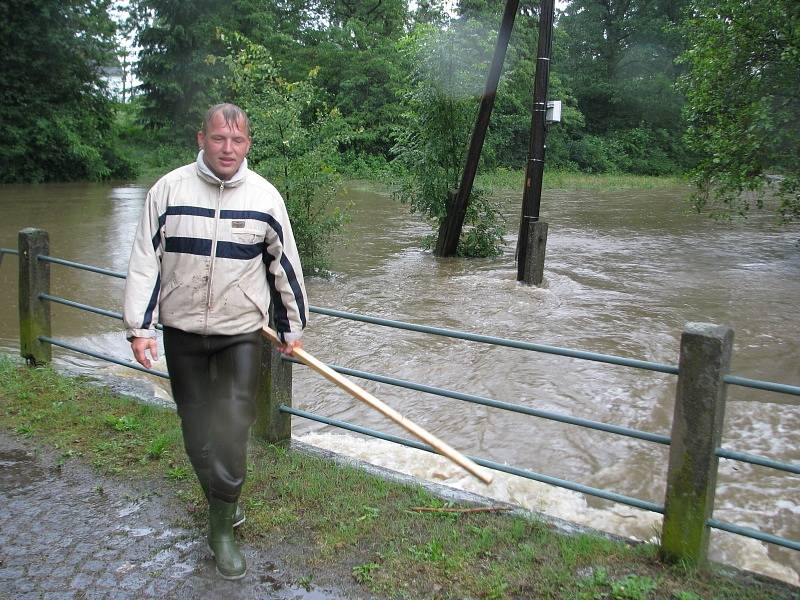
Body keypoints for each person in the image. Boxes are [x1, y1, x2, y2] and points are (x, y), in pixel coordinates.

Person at [123, 103, 308, 580]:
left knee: (230, 424)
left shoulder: (265, 198)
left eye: (238, 140)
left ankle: (221, 530)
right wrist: (140, 328)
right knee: (195, 430)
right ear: (201, 138)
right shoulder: (168, 190)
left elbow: (284, 264)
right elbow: (146, 260)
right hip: (182, 331)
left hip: (240, 334)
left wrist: (293, 324)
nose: (229, 149)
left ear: (248, 144)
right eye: (220, 138)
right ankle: (223, 501)